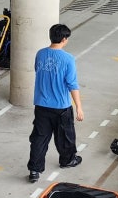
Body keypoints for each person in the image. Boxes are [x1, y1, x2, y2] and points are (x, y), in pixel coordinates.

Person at [27, 24, 84, 183]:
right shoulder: (68, 59)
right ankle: (67, 160)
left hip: (41, 105)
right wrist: (79, 107)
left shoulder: (40, 54)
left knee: (39, 138)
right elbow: (72, 84)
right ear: (64, 39)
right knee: (65, 136)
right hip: (61, 107)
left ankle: (34, 170)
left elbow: (37, 71)